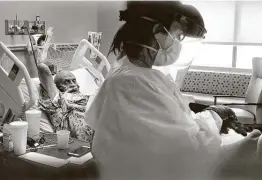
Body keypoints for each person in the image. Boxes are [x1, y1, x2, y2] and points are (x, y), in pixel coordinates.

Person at [85, 1, 261, 180]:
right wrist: (214, 116)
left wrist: (209, 116)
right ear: (157, 32)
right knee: (253, 147)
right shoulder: (133, 82)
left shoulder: (130, 73)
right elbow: (186, 148)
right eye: (177, 35)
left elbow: (172, 125)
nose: (177, 43)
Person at [37, 63, 94, 143]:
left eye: (74, 80)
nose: (73, 84)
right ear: (58, 87)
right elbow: (42, 68)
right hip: (86, 139)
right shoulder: (58, 99)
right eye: (67, 82)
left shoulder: (89, 97)